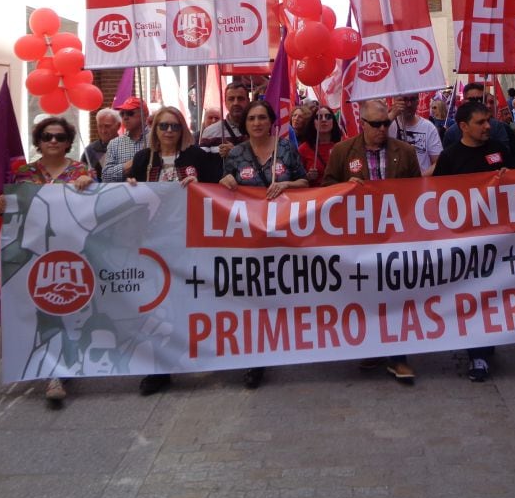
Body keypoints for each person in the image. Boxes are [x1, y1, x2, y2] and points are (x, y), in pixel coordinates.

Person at [0, 116, 95, 405]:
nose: (53, 141)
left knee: (68, 310)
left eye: (60, 137)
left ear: (68, 142)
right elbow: (13, 209)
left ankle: (60, 369)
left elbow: (98, 205)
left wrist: (90, 185)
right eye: (47, 136)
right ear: (38, 141)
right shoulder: (24, 174)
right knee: (42, 309)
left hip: (73, 254)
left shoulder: (80, 171)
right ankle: (51, 370)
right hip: (34, 255)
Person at [324, 100, 422, 383]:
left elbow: (418, 191)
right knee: (367, 295)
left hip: (395, 236)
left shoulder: (405, 152)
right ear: (362, 124)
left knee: (395, 294)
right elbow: (326, 187)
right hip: (358, 238)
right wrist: (344, 188)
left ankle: (399, 357)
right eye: (376, 124)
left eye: (386, 124)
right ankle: (374, 347)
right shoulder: (342, 152)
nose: (382, 129)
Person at [128, 106, 223, 395]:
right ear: (154, 129)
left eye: (175, 126)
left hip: (190, 240)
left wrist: (201, 185)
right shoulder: (144, 159)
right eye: (163, 126)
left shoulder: (196, 156)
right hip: (154, 243)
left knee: (186, 301)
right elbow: (128, 197)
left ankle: (192, 354)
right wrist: (129, 185)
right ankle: (159, 369)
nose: (169, 131)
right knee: (157, 307)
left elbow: (220, 185)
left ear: (183, 129)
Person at [221, 100, 310, 387]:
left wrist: (287, 184)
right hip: (248, 236)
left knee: (279, 290)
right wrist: (226, 181)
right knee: (252, 295)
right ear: (245, 124)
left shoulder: (285, 148)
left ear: (271, 122)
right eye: (251, 119)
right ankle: (255, 359)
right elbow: (223, 186)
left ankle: (285, 341)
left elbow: (305, 182)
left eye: (262, 118)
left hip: (284, 236)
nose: (257, 123)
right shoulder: (236, 154)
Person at [432, 101, 509, 382]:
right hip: (465, 240)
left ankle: (486, 344)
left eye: (488, 121)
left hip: (498, 237)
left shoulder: (498, 149)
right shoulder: (450, 157)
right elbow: (437, 197)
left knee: (491, 294)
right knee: (473, 296)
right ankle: (478, 354)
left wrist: (508, 178)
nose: (488, 126)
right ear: (463, 126)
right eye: (480, 122)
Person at [444, 82, 512, 155]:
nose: (478, 102)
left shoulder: (497, 127)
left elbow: (506, 155)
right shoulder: (452, 133)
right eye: (473, 100)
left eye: (482, 99)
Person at [389, 93, 443, 175]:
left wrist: (420, 178)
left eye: (413, 99)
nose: (409, 104)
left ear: (418, 101)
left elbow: (438, 162)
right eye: (405, 99)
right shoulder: (388, 125)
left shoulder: (428, 127)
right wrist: (392, 114)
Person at [102, 97, 148, 182]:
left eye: (130, 113)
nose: (125, 117)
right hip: (125, 190)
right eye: (122, 114)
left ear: (144, 115)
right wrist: (126, 167)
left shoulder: (156, 139)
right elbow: (105, 176)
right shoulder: (115, 143)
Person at [199, 81, 250, 159]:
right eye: (231, 99)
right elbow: (202, 163)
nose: (236, 103)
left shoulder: (257, 129)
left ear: (248, 101)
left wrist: (236, 152)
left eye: (240, 98)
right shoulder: (210, 132)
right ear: (225, 102)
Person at [299, 106, 342, 185]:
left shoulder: (343, 144)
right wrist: (308, 177)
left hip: (340, 191)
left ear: (333, 121)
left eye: (328, 116)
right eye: (319, 117)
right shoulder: (304, 149)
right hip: (315, 191)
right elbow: (296, 178)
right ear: (313, 122)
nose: (324, 120)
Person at [81, 108, 120, 180]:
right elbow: (80, 175)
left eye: (107, 126)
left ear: (118, 126)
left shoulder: (126, 146)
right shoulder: (90, 150)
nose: (103, 131)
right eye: (100, 126)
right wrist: (85, 176)